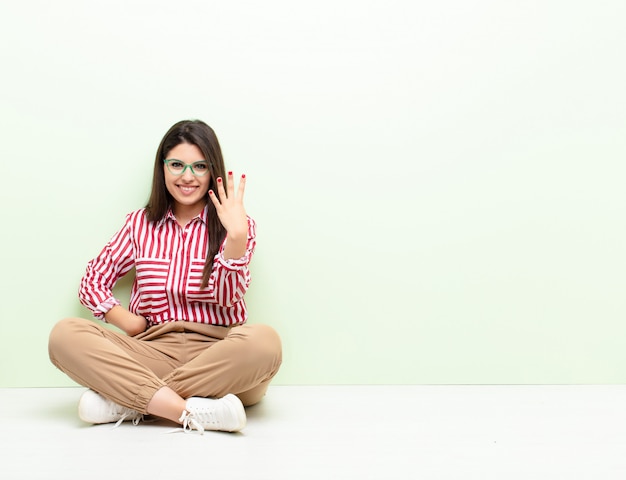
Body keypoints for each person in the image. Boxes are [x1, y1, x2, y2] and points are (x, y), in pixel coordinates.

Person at [48, 119, 282, 434]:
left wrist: (236, 238)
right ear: (163, 168)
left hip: (219, 358)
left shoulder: (237, 223)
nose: (188, 177)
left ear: (212, 171)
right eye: (177, 165)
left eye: (199, 167)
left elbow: (228, 298)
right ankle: (188, 410)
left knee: (265, 342)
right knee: (64, 335)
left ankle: (134, 402)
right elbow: (93, 280)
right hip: (151, 352)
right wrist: (127, 321)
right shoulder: (139, 224)